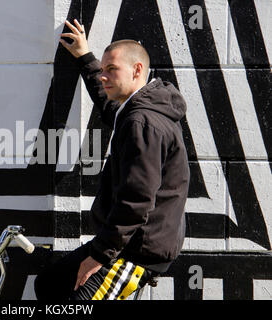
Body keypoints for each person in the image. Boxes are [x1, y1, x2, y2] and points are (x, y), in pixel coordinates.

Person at [34, 19, 190, 300]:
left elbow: (137, 201)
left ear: (137, 70)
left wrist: (98, 256)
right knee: (50, 284)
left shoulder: (142, 121)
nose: (104, 76)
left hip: (135, 250)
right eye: (103, 70)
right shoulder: (138, 110)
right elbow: (109, 107)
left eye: (112, 69)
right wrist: (85, 57)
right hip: (126, 241)